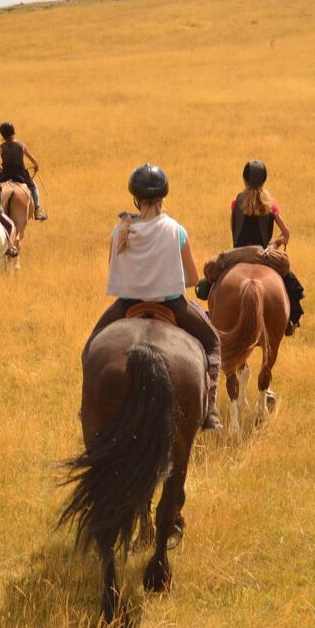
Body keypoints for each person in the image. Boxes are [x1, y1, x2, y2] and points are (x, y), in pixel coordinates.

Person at [83, 164, 223, 430]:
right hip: (172, 304)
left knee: (90, 348)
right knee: (213, 342)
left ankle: (88, 406)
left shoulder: (119, 231)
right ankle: (210, 410)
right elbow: (192, 280)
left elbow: (115, 266)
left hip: (127, 304)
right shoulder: (176, 230)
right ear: (163, 197)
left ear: (135, 199)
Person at [197, 159, 305, 335]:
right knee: (288, 279)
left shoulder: (236, 202)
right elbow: (286, 233)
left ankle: (211, 310)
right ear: (264, 180)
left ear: (244, 179)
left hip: (238, 253)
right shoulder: (271, 207)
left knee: (211, 270)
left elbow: (234, 231)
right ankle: (290, 320)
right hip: (263, 254)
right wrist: (275, 243)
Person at [0, 122, 47, 220]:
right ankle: (37, 210)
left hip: (5, 176)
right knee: (34, 187)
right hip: (21, 176)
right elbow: (35, 162)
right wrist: (36, 167)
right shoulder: (21, 146)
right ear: (14, 132)